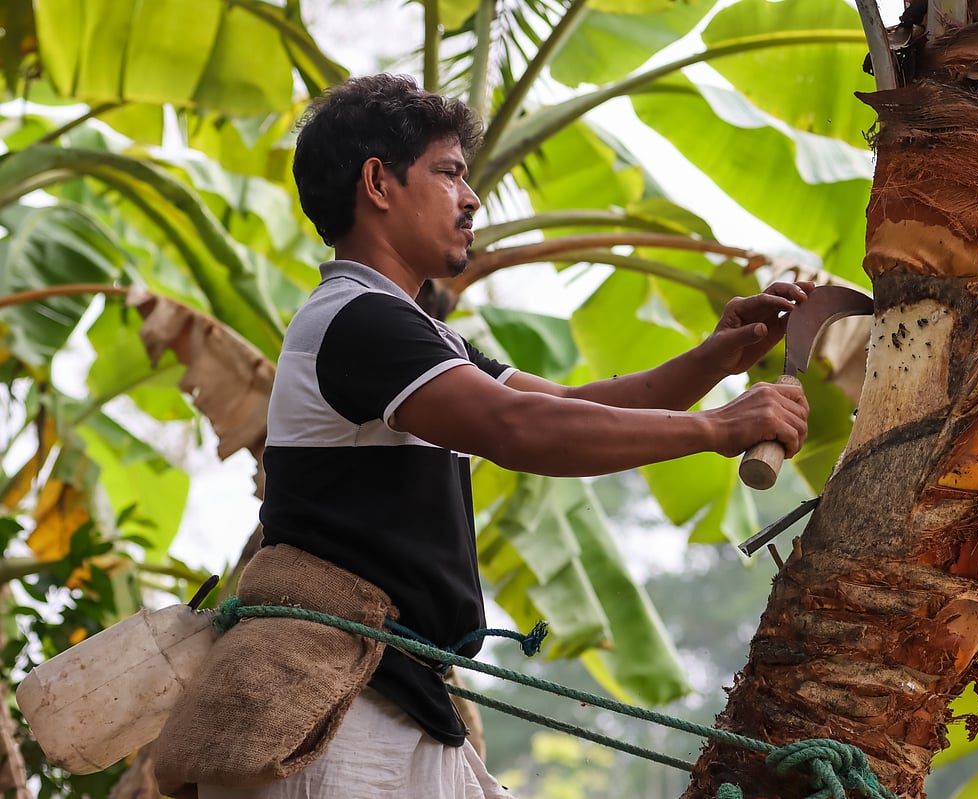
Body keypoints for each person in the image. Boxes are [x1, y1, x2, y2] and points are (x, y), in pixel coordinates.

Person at [155, 73, 811, 799]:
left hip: (381, 696)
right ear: (378, 182)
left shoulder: (415, 332)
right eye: (449, 174)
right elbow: (518, 428)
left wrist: (718, 355)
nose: (472, 199)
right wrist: (719, 426)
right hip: (330, 713)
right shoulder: (357, 320)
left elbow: (572, 404)